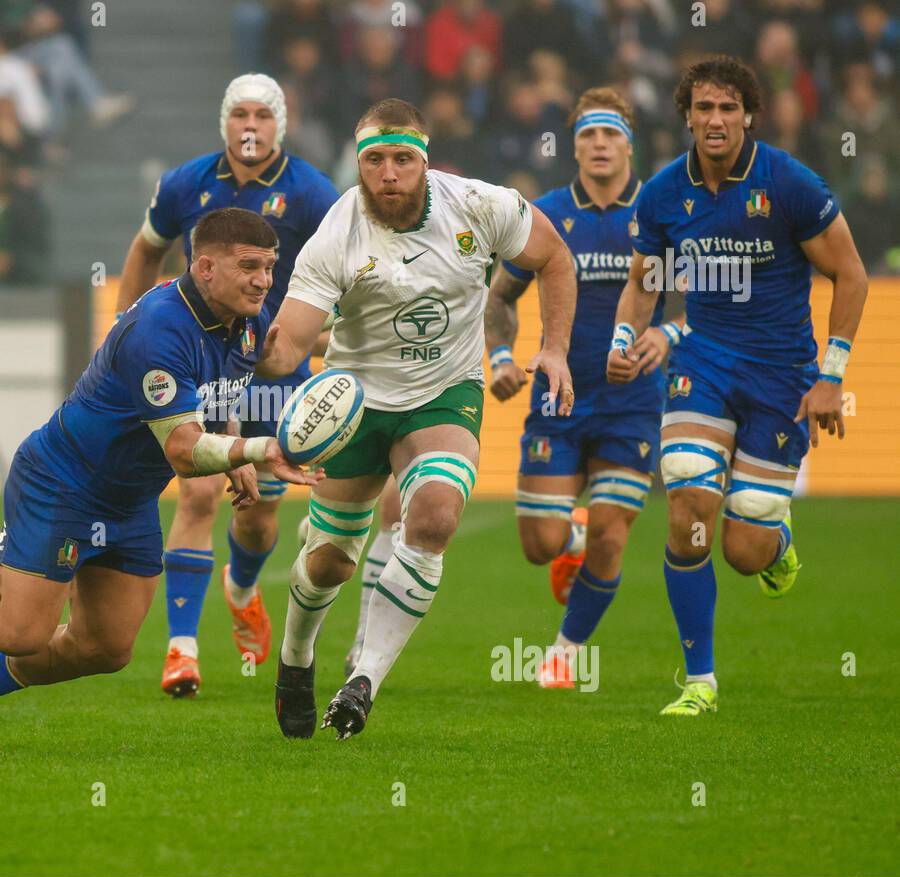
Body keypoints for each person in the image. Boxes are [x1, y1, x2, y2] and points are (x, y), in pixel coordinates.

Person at [0, 209, 317, 752]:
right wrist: (257, 450)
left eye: (269, 267)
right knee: (20, 635)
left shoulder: (249, 320)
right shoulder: (159, 327)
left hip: (128, 497)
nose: (263, 280)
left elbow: (218, 393)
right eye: (250, 267)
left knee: (107, 648)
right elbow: (184, 453)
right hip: (64, 482)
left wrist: (232, 449)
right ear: (206, 267)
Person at [258, 97, 577, 739]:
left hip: (443, 395)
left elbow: (554, 257)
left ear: (426, 162)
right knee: (329, 564)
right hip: (353, 405)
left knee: (432, 516)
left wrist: (554, 347)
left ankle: (363, 682)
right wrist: (242, 350)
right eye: (374, 160)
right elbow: (290, 343)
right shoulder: (336, 233)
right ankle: (296, 658)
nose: (389, 173)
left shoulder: (481, 205)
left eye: (403, 158)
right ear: (359, 164)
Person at [610, 56, 869, 715]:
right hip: (704, 360)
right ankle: (700, 680)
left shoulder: (789, 182)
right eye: (704, 108)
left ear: (749, 114)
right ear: (687, 116)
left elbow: (852, 274)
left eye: (728, 108)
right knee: (688, 495)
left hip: (782, 374)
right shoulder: (666, 193)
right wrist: (622, 341)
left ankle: (776, 542)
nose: (716, 119)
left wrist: (831, 378)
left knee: (744, 547)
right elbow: (646, 279)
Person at [112, 74, 339, 697]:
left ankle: (241, 586)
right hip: (198, 360)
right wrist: (121, 328)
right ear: (224, 121)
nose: (251, 125)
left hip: (272, 370)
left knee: (259, 518)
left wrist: (322, 341)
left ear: (280, 126)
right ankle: (181, 651)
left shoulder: (313, 193)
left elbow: (342, 276)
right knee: (199, 495)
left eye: (263, 115)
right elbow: (144, 249)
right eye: (240, 113)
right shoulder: (186, 182)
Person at [484, 87, 683, 688]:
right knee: (539, 545)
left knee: (611, 534)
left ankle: (564, 654)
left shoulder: (660, 210)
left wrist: (667, 334)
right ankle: (566, 533)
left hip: (633, 400)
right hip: (558, 396)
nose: (599, 145)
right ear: (574, 148)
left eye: (611, 134)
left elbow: (702, 301)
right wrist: (498, 355)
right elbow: (498, 299)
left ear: (630, 144)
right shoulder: (544, 216)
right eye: (588, 136)